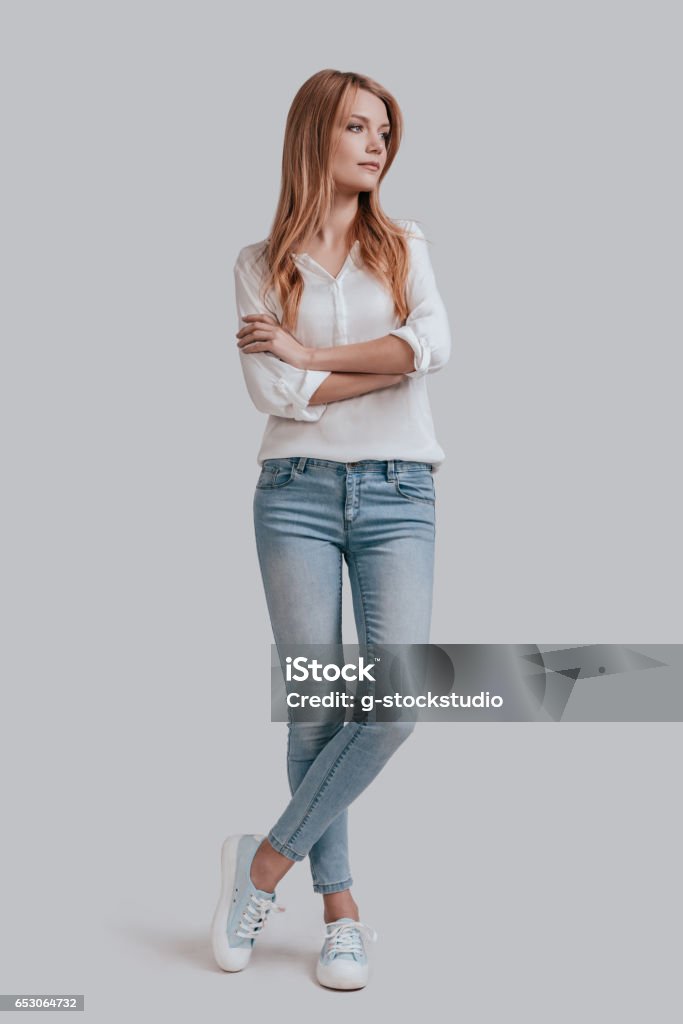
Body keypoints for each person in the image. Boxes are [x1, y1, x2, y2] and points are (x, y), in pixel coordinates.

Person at [211, 68, 451, 991]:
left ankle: (261, 865)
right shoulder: (255, 261)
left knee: (394, 701)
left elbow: (432, 344)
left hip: (398, 493)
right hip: (295, 494)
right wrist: (378, 366)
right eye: (356, 126)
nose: (375, 143)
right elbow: (279, 398)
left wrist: (310, 352)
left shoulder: (405, 244)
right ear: (315, 134)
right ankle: (340, 911)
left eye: (383, 129)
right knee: (317, 709)